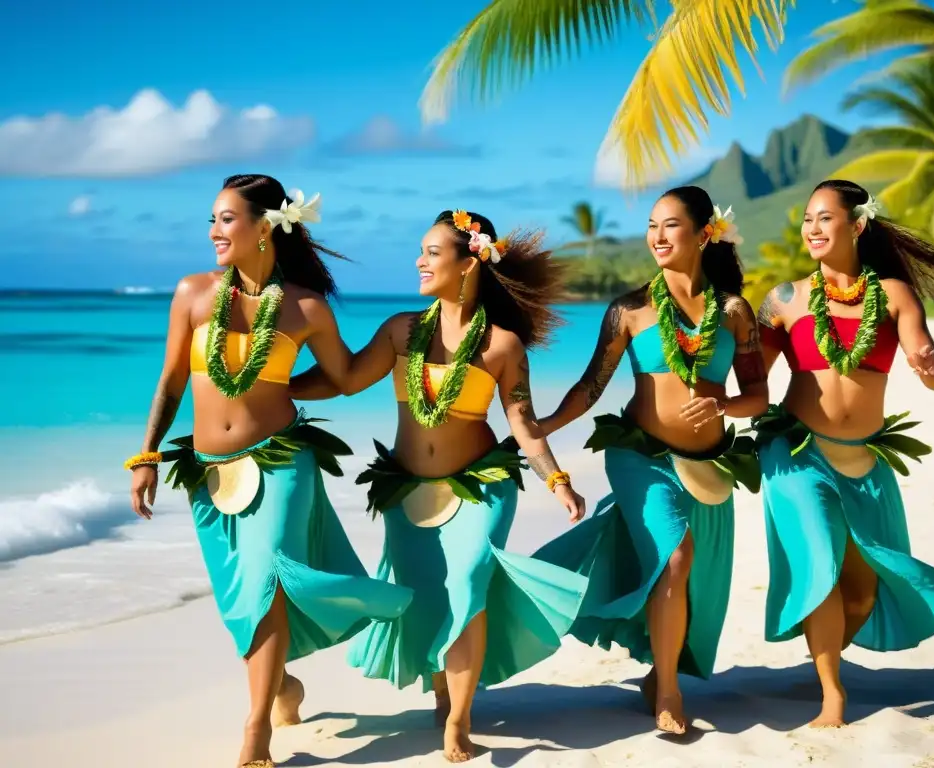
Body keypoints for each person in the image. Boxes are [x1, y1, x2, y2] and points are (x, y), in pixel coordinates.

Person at [125, 174, 413, 768]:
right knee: (241, 597)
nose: (213, 232)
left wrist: (398, 338)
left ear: (265, 226)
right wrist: (148, 455)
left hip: (282, 460)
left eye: (225, 219)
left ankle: (256, 734)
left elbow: (345, 378)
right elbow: (173, 381)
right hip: (209, 471)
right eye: (211, 220)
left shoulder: (306, 307)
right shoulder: (193, 294)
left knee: (268, 579)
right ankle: (282, 687)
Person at [289, 209, 588, 763]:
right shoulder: (401, 330)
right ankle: (444, 686)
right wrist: (275, 387)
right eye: (421, 250)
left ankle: (459, 718)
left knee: (469, 583)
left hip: (480, 487)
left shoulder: (501, 346)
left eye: (432, 252)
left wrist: (558, 480)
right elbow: (349, 379)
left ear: (469, 261)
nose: (419, 261)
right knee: (427, 595)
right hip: (407, 490)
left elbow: (522, 422)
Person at [532, 186, 769, 734]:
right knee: (676, 557)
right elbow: (592, 385)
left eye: (671, 226)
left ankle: (658, 673)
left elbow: (758, 394)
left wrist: (727, 403)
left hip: (709, 462)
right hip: (642, 456)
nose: (657, 237)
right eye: (651, 226)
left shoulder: (734, 312)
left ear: (703, 233)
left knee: (694, 579)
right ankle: (668, 694)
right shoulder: (630, 311)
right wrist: (544, 428)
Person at [753, 178, 934, 728]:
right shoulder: (784, 299)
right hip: (797, 453)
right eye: (808, 218)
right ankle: (833, 695)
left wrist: (932, 365)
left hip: (865, 457)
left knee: (860, 592)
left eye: (825, 218)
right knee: (822, 563)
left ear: (857, 226)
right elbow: (749, 378)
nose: (812, 228)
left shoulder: (895, 295)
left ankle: (824, 655)